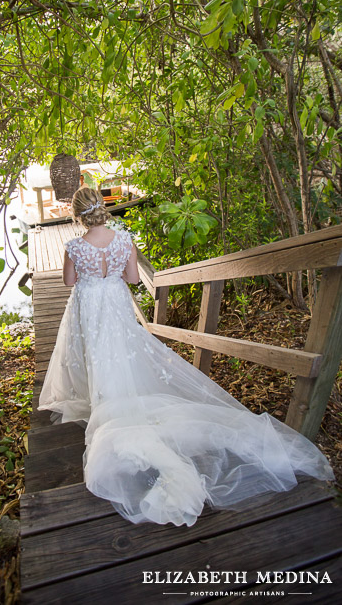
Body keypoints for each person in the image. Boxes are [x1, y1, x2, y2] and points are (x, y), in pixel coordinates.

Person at [38, 187, 334, 527]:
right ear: (103, 208)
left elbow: (68, 281)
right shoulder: (123, 238)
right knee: (121, 351)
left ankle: (105, 403)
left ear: (77, 214)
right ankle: (118, 401)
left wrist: (92, 275)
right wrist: (114, 271)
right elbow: (133, 278)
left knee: (97, 353)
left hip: (90, 304)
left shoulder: (74, 246)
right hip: (116, 302)